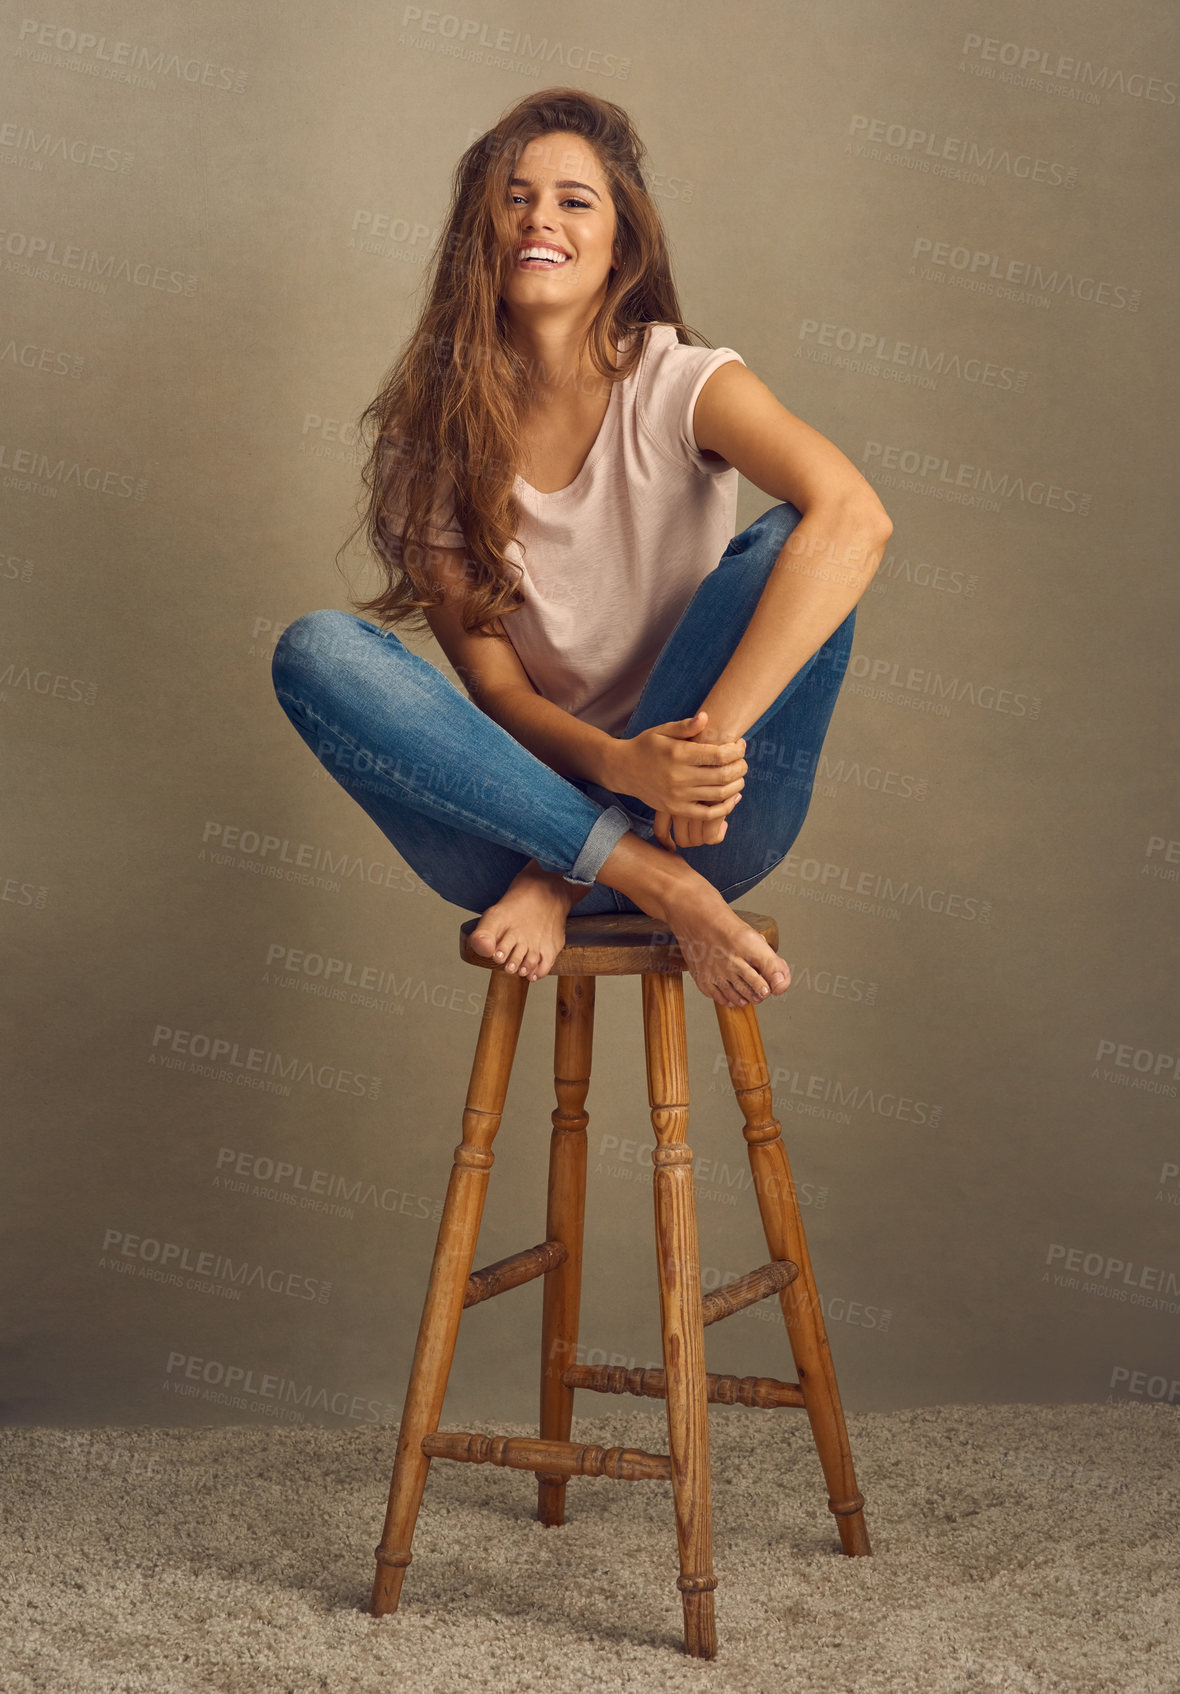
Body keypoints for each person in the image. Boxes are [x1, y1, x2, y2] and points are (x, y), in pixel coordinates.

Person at [271, 88, 892, 1011]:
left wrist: (692, 757)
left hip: (710, 818)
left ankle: (594, 867)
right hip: (514, 824)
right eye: (514, 197)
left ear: (621, 244)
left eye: (574, 200)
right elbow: (499, 694)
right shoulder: (433, 444)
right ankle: (639, 876)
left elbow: (856, 516)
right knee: (316, 651)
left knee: (795, 540)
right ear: (477, 233)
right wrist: (615, 774)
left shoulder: (680, 381)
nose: (539, 219)